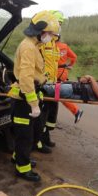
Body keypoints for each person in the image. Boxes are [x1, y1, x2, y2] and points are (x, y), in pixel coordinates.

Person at [8, 10, 60, 182]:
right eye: (50, 34)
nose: (50, 38)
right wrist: (33, 104)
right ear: (41, 31)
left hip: (28, 96)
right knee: (26, 136)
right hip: (24, 100)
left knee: (28, 134)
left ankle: (18, 157)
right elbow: (25, 78)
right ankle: (22, 169)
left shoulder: (32, 45)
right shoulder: (29, 48)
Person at [33, 10, 62, 152]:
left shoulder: (55, 43)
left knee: (50, 114)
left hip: (52, 84)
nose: (59, 26)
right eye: (58, 23)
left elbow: (54, 64)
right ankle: (38, 142)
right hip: (44, 85)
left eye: (60, 24)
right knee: (42, 115)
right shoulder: (44, 42)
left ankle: (45, 138)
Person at [56, 35, 83, 123]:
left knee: (59, 94)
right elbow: (74, 57)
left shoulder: (50, 47)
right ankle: (76, 111)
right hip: (63, 73)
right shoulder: (64, 46)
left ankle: (76, 111)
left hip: (55, 74)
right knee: (59, 94)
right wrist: (70, 65)